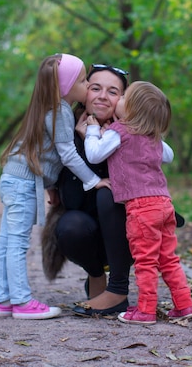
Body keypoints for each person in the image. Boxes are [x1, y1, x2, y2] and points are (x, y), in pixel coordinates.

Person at [0, 54, 110, 320]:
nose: (87, 84)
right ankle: (21, 302)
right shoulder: (61, 111)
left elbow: (46, 155)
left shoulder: (49, 108)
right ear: (66, 86)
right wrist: (94, 181)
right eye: (82, 80)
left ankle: (4, 300)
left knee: (6, 242)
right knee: (17, 244)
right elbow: (66, 155)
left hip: (15, 178)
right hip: (22, 183)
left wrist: (51, 187)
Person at [84, 81, 192, 325]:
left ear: (132, 111)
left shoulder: (119, 131)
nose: (118, 100)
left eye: (123, 98)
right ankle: (184, 304)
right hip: (165, 205)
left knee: (145, 260)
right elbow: (169, 155)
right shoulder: (153, 137)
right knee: (168, 258)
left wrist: (92, 131)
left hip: (141, 208)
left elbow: (94, 154)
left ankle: (145, 310)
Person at [41, 64, 132, 316]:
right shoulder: (65, 131)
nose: (103, 96)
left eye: (113, 92)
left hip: (130, 232)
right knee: (69, 226)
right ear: (82, 92)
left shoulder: (134, 134)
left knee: (108, 192)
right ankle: (95, 274)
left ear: (124, 100)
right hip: (85, 231)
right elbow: (66, 189)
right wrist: (83, 142)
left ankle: (118, 289)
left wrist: (107, 140)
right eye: (95, 88)